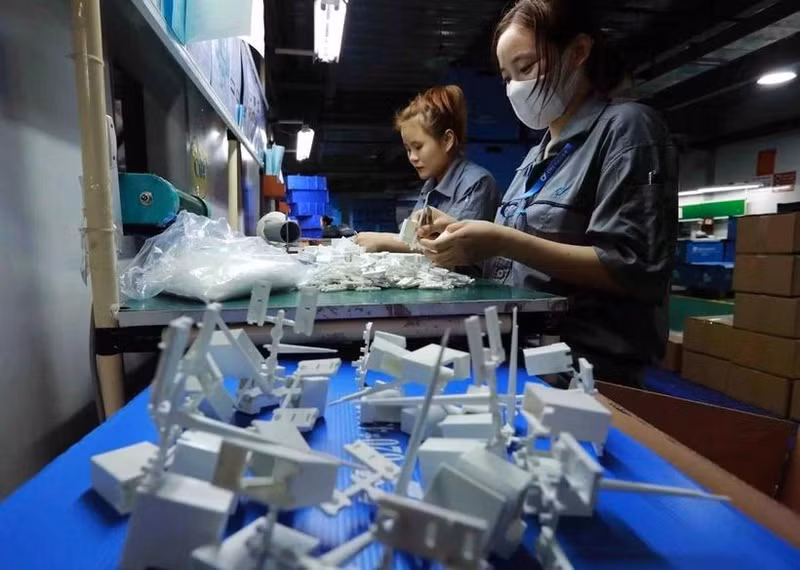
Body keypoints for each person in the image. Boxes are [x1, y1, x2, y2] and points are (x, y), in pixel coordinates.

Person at [417, 0, 678, 387]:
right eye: (506, 76)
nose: (515, 87)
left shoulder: (628, 130)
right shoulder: (535, 155)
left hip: (587, 370)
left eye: (525, 68)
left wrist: (504, 239)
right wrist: (461, 235)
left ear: (578, 52)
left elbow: (634, 268)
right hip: (516, 354)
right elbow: (516, 261)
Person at [354, 85, 499, 253]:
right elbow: (409, 237)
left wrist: (384, 240)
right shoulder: (430, 188)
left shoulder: (477, 183)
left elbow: (456, 248)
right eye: (408, 149)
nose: (412, 157)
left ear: (447, 140)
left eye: (418, 146)